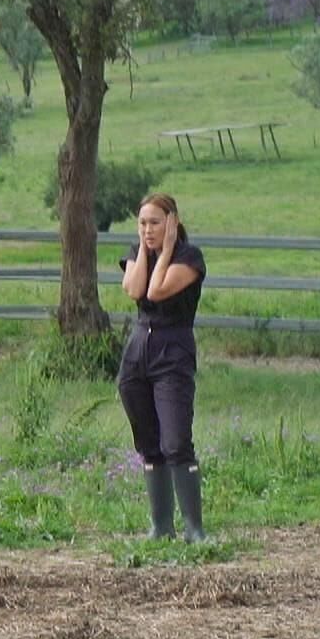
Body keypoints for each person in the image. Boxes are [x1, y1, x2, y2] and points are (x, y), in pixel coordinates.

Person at [118, 192, 207, 542]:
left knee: (176, 441)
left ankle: (194, 529)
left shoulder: (189, 258)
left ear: (173, 221)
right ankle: (160, 526)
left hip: (173, 349)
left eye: (155, 222)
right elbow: (135, 287)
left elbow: (155, 291)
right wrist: (144, 249)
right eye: (142, 223)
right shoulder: (138, 253)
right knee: (149, 443)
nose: (147, 229)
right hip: (139, 349)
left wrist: (167, 249)